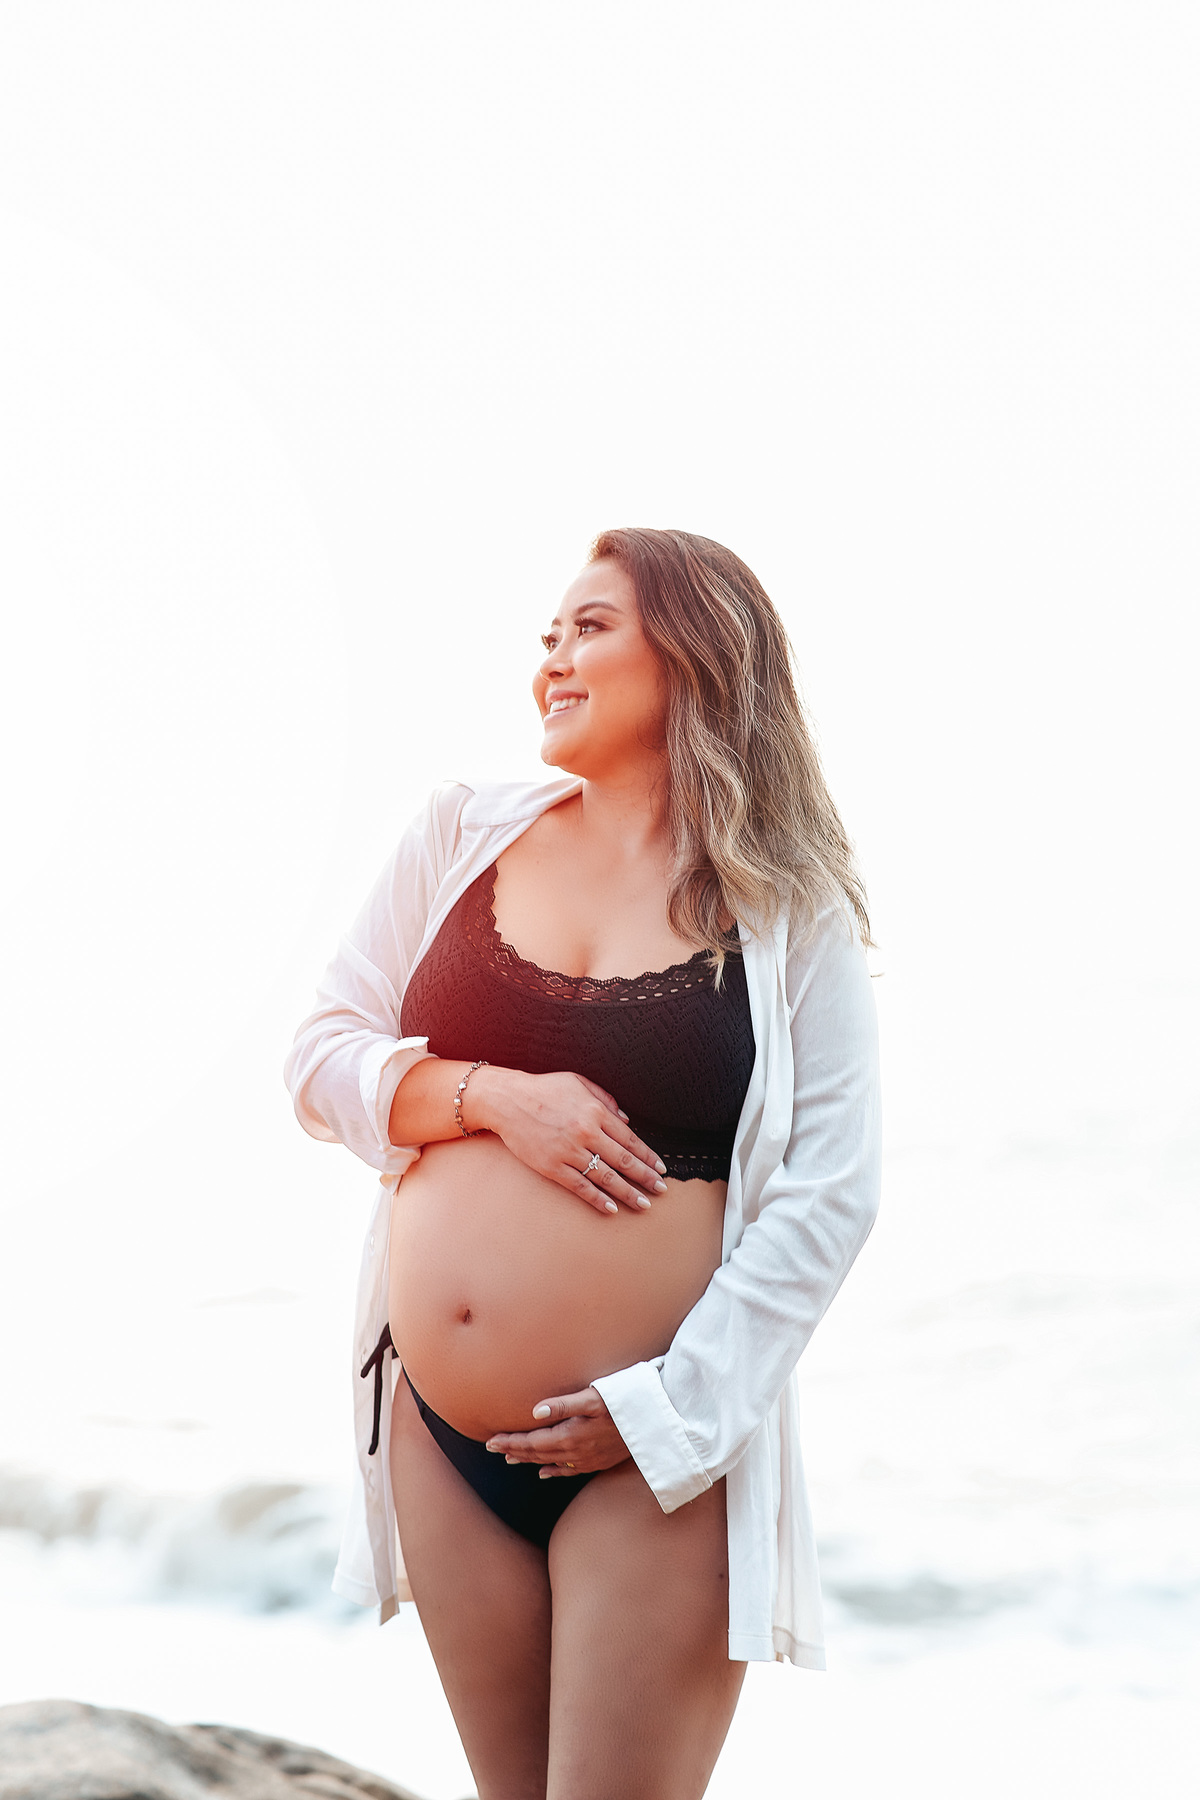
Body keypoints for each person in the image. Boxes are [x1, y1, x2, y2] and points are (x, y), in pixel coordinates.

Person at [284, 527, 882, 1800]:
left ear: (697, 652)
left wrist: (667, 1416)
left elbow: (832, 1195)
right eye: (546, 636)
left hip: (652, 1451)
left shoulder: (788, 905)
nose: (552, 657)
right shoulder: (460, 834)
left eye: (589, 627)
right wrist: (497, 1099)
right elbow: (322, 1058)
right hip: (440, 1432)